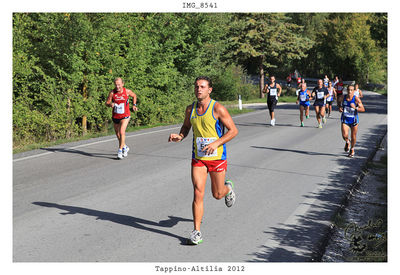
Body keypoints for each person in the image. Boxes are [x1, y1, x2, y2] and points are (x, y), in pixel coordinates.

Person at [168, 76, 238, 245]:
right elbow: (186, 127)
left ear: (209, 90)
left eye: (202, 86)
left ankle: (228, 188)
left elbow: (233, 130)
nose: (199, 89)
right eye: (197, 86)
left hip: (217, 158)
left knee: (217, 194)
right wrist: (180, 136)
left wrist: (216, 142)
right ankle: (196, 231)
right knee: (198, 191)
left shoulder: (218, 108)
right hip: (198, 157)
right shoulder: (190, 109)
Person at [105, 77, 138, 159]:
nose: (117, 87)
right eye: (116, 85)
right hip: (116, 116)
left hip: (125, 115)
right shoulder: (112, 93)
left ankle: (120, 150)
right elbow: (107, 102)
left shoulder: (127, 91)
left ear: (122, 84)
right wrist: (110, 104)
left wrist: (134, 105)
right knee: (118, 134)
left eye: (119, 85)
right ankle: (124, 147)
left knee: (122, 131)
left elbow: (134, 96)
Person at [340, 85, 365, 157]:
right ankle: (347, 141)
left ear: (354, 91)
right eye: (348, 90)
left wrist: (355, 107)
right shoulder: (343, 97)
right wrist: (340, 107)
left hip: (354, 120)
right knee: (344, 135)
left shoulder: (356, 99)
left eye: (351, 90)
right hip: (345, 119)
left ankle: (352, 149)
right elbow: (338, 101)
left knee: (353, 136)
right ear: (346, 90)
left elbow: (363, 109)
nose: (349, 92)